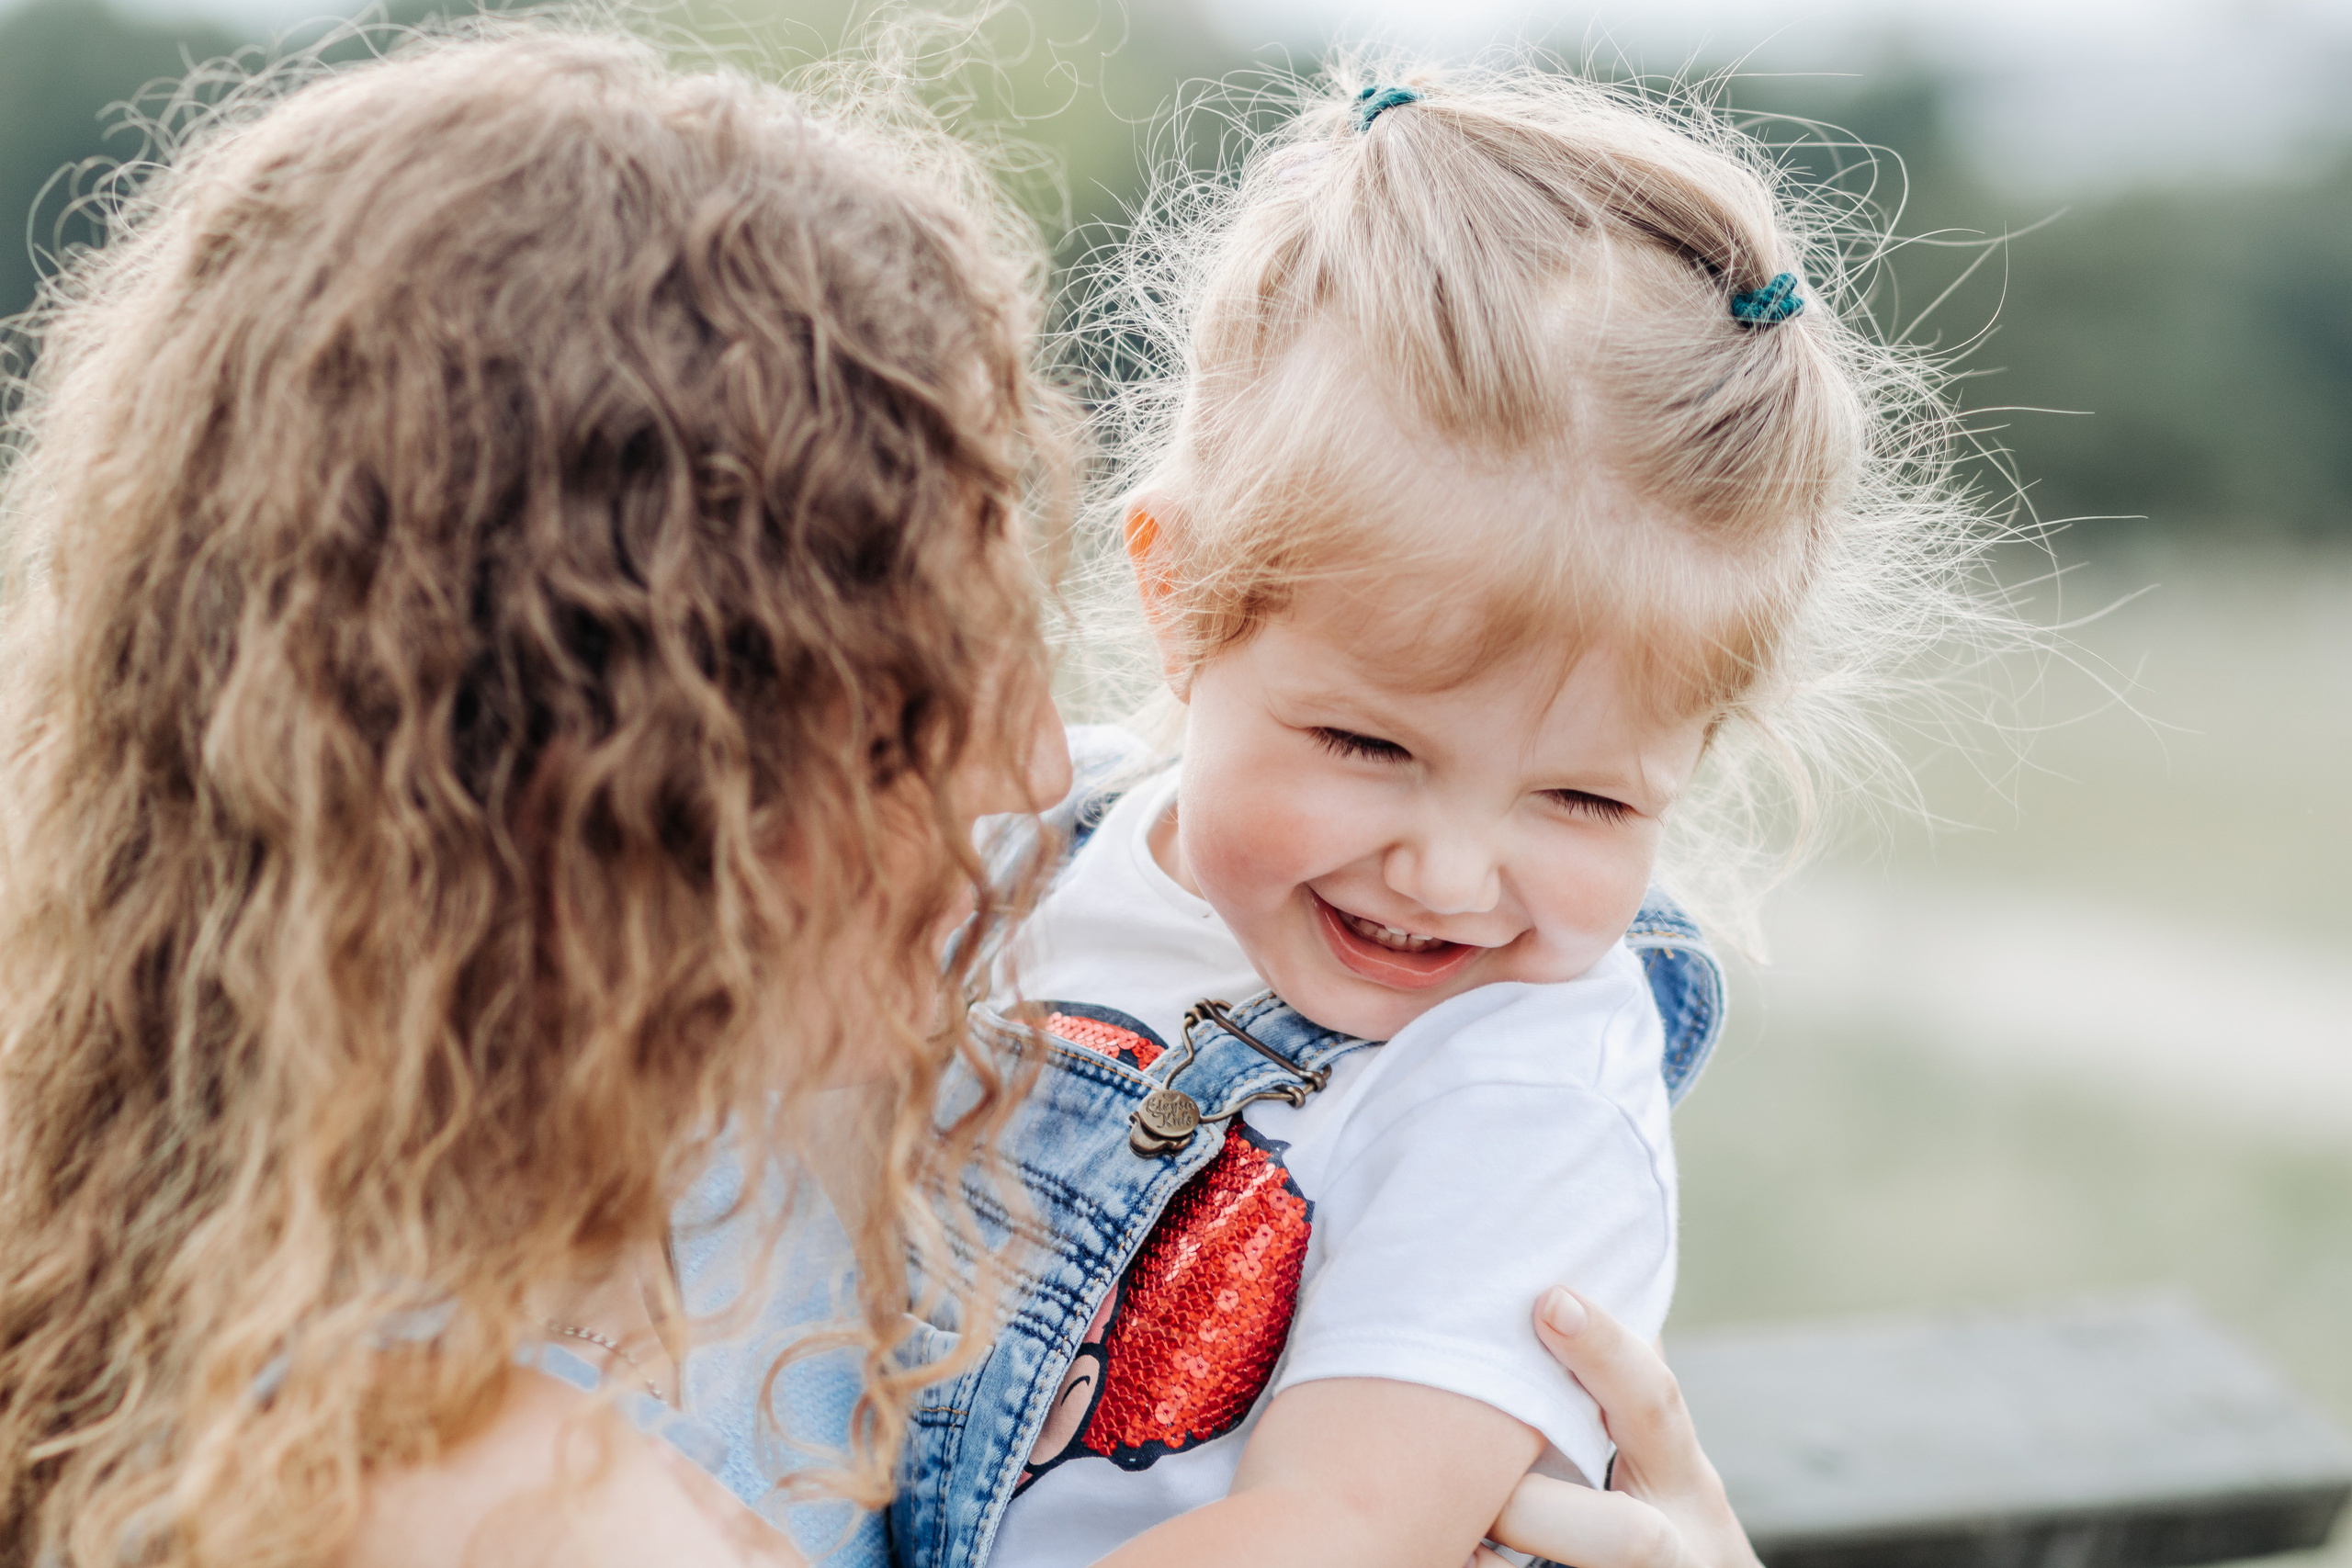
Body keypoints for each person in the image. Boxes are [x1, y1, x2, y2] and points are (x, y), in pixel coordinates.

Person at [0, 21, 1765, 1568]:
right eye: (898, 722)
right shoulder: (474, 1478)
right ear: (592, 803)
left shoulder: (654, 1132)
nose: (1038, 774)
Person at [888, 61, 2003, 1568]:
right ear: (1177, 595)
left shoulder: (1525, 1084)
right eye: (1366, 744)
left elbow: (1334, 1527)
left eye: (1587, 796)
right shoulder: (1016, 851)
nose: (1450, 872)